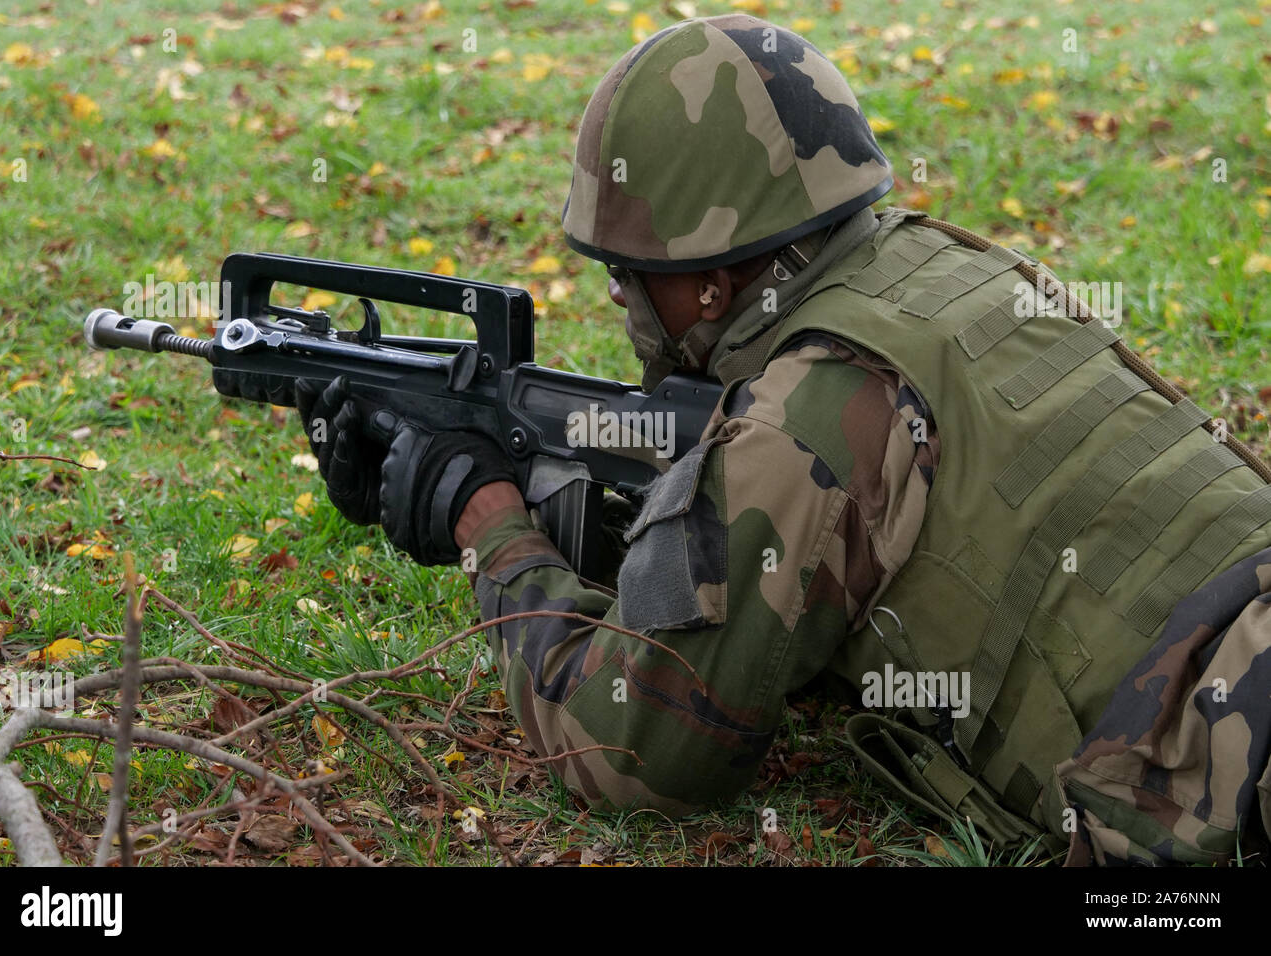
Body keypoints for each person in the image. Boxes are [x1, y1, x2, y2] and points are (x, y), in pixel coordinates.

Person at [229, 15, 1271, 866]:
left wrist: (489, 523)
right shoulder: (950, 271)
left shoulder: (809, 413)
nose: (628, 305)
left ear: (715, 282)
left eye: (632, 276)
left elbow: (635, 748)